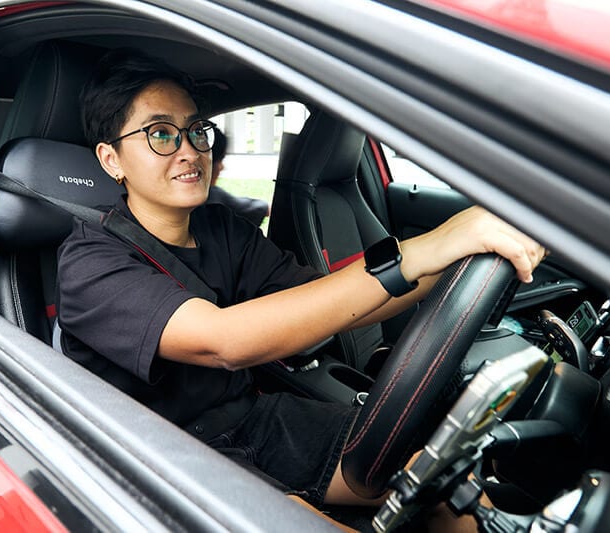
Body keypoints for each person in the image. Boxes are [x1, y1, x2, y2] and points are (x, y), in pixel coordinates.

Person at [57, 48, 544, 518]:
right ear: (111, 159)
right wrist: (419, 250)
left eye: (196, 131)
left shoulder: (223, 228)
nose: (189, 151)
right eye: (161, 134)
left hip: (257, 418)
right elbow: (224, 341)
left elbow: (335, 304)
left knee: (439, 483)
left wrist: (456, 255)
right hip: (165, 456)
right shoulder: (90, 262)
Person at [206, 125, 270, 226]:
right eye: (220, 160)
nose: (222, 167)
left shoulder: (213, 195)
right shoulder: (212, 197)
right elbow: (257, 208)